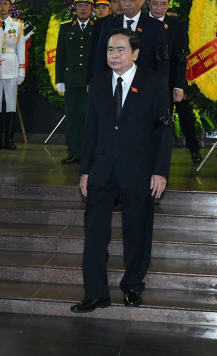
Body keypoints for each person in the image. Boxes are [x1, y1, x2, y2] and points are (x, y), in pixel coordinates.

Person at [71, 29, 171, 313]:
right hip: (102, 170)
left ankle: (132, 287)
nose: (114, 55)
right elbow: (90, 130)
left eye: (120, 50)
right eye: (110, 50)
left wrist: (160, 171)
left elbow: (163, 131)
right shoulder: (99, 83)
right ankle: (95, 293)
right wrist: (85, 170)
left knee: (136, 231)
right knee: (94, 233)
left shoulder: (154, 82)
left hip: (139, 171)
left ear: (135, 53)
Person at [148, 0, 202, 164]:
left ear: (168, 4)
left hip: (172, 80)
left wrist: (179, 85)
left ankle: (194, 150)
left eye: (163, 4)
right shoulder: (141, 23)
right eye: (155, 4)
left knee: (185, 116)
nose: (159, 8)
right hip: (148, 81)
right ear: (148, 3)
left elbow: (180, 57)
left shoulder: (175, 24)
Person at [91, 0, 169, 82]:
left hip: (146, 83)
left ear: (142, 0)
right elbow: (100, 58)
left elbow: (162, 61)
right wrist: (96, 83)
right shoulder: (108, 25)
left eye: (132, 0)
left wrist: (162, 87)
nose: (127, 4)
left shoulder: (155, 26)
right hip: (114, 83)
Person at [56, 0, 96, 164]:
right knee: (72, 118)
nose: (83, 8)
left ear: (91, 8)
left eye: (87, 5)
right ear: (75, 7)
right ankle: (73, 152)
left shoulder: (97, 28)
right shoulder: (65, 28)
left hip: (89, 82)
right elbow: (60, 56)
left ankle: (88, 154)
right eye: (80, 5)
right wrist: (59, 80)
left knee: (88, 118)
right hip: (71, 80)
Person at [0, 0, 26, 150]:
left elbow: (21, 48)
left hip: (11, 67)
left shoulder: (17, 25)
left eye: (6, 4)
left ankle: (10, 140)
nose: (3, 7)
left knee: (11, 104)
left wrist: (21, 71)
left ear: (10, 6)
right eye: (0, 4)